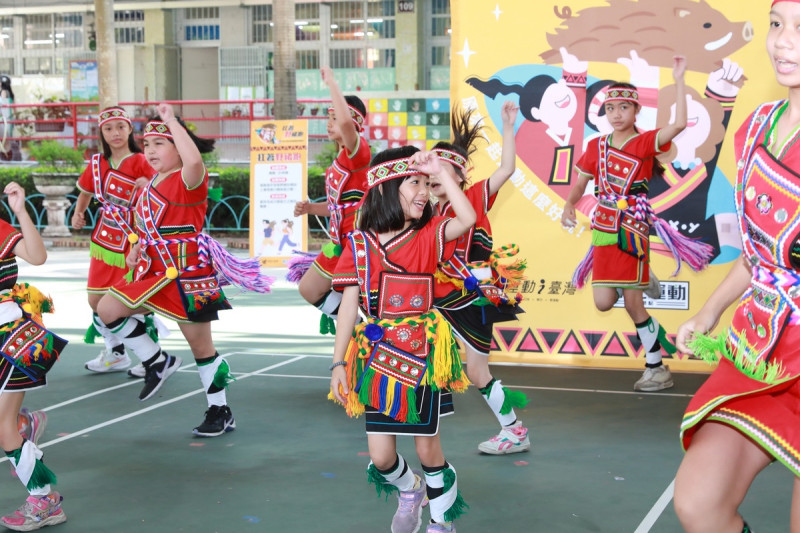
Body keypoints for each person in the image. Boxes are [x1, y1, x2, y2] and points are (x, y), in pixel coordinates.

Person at [673, 2, 800, 530]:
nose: (783, 42)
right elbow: (759, 253)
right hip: (761, 348)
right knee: (698, 503)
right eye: (777, 25)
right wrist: (708, 313)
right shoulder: (756, 128)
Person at [96, 103, 273, 437]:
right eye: (146, 144)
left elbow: (194, 160)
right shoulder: (149, 185)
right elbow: (150, 229)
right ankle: (156, 361)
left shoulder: (189, 179)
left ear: (179, 146)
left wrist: (170, 120)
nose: (150, 150)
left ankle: (220, 410)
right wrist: (136, 249)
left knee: (202, 350)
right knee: (107, 308)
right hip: (154, 274)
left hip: (189, 275)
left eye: (159, 143)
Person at [329, 146, 475, 533]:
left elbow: (468, 216)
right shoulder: (359, 245)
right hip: (377, 359)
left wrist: (441, 172)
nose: (424, 191)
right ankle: (410, 489)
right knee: (380, 458)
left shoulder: (429, 235)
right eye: (414, 182)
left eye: (427, 184)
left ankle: (442, 522)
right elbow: (348, 307)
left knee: (428, 448)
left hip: (422, 353)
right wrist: (338, 363)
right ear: (384, 187)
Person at [561, 56, 713, 392]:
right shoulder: (595, 146)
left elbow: (680, 124)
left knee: (632, 304)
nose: (616, 114)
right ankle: (643, 279)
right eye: (611, 108)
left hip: (631, 227)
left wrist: (679, 79)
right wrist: (569, 204)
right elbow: (581, 182)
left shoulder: (645, 143)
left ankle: (656, 367)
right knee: (603, 301)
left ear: (635, 112)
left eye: (623, 108)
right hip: (603, 227)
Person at [429, 102, 529, 455]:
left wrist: (508, 126)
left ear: (459, 175)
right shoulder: (431, 211)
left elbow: (507, 168)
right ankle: (426, 412)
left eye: (440, 172)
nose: (433, 179)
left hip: (471, 297)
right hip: (443, 298)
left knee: (476, 372)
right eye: (429, 175)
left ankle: (514, 430)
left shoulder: (473, 197)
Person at [0, 182, 68, 531]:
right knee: (5, 425)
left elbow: (37, 256)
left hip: (10, 341)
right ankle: (25, 425)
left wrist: (20, 210)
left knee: (3, 428)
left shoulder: (0, 230)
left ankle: (44, 501)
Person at [72, 106, 159, 379]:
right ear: (102, 132)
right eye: (109, 128)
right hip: (103, 240)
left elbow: (161, 192)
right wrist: (78, 211)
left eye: (121, 127)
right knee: (96, 300)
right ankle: (116, 353)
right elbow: (86, 192)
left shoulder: (142, 160)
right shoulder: (97, 163)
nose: (115, 133)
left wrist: (147, 185)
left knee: (131, 299)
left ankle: (151, 355)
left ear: (130, 129)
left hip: (133, 240)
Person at [292, 66, 371, 334]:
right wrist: (310, 208)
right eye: (329, 117)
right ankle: (359, 328)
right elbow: (341, 208)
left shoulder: (358, 154)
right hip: (339, 243)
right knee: (309, 289)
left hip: (359, 246)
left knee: (369, 303)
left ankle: (366, 336)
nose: (330, 122)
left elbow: (348, 125)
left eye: (335, 117)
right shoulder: (338, 161)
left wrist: (332, 84)